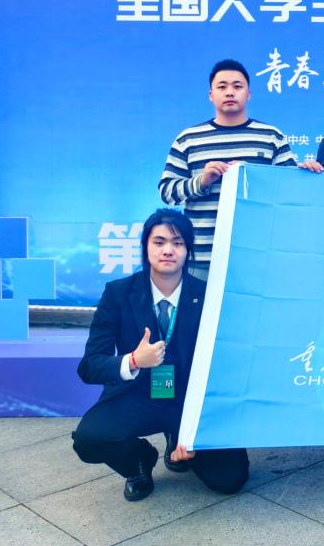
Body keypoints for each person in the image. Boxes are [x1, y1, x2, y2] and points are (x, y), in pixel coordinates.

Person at [72, 209, 249, 501]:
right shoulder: (118, 294)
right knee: (89, 440)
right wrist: (133, 361)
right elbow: (89, 366)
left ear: (188, 251)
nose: (168, 250)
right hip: (137, 395)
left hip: (189, 401)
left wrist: (195, 433)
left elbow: (228, 365)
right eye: (159, 242)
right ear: (145, 246)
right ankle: (140, 462)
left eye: (178, 243)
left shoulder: (209, 296)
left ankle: (179, 440)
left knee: (230, 479)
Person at [158, 59, 296, 278]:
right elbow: (167, 192)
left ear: (248, 94)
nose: (230, 92)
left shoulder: (271, 137)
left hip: (256, 255)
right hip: (201, 257)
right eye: (222, 87)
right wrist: (202, 181)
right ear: (211, 95)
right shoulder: (188, 139)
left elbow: (290, 191)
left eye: (237, 86)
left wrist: (253, 177)